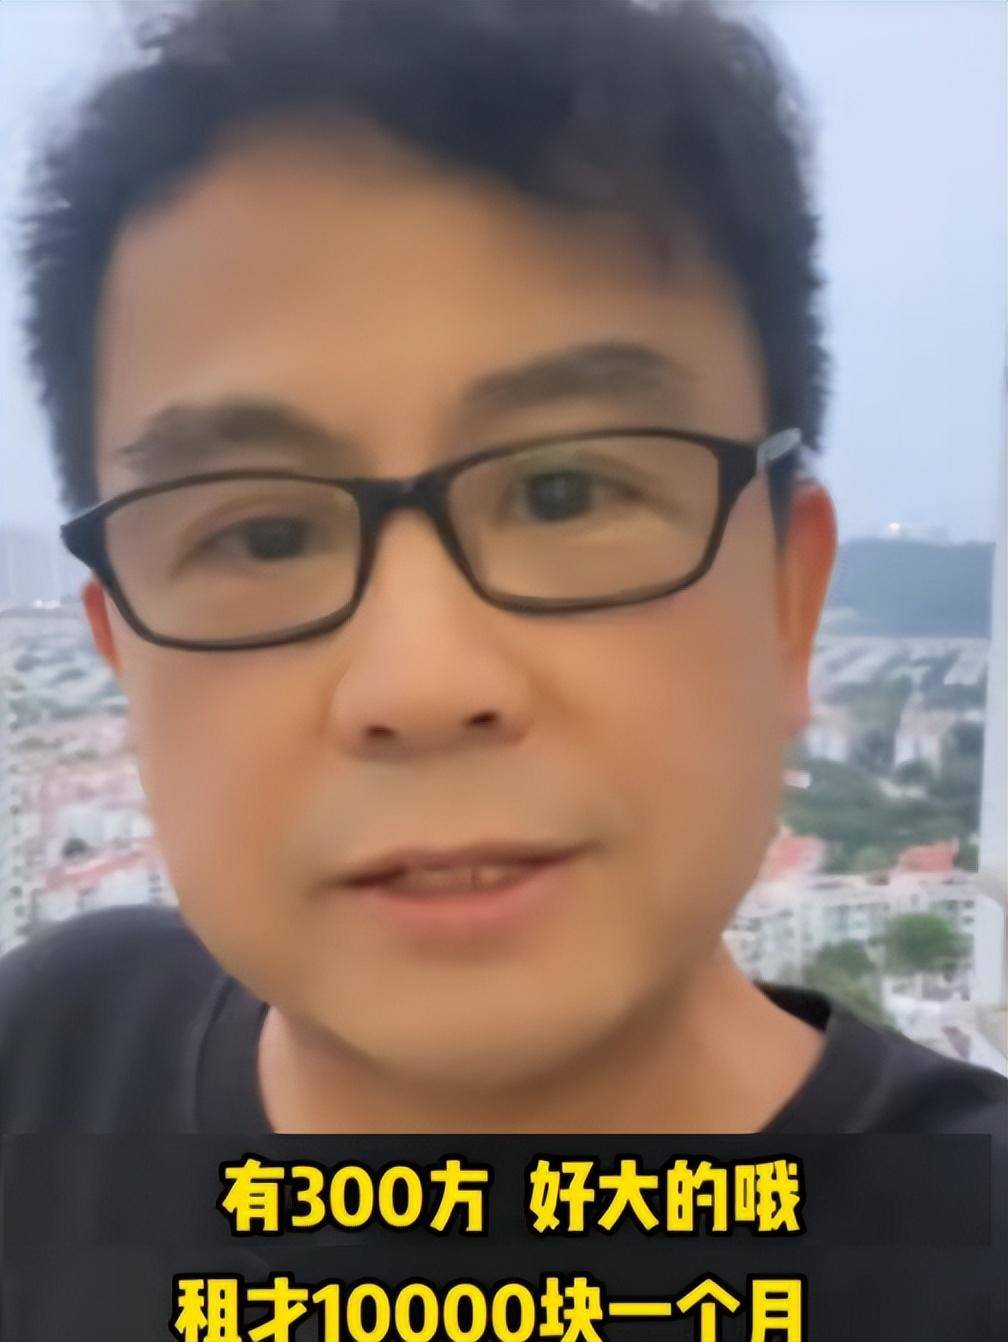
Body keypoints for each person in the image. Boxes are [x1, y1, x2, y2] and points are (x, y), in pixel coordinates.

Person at [0, 0, 1004, 1136]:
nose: (423, 684)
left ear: (788, 602)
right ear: (123, 653)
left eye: (562, 493)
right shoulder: (51, 1064)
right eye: (265, 536)